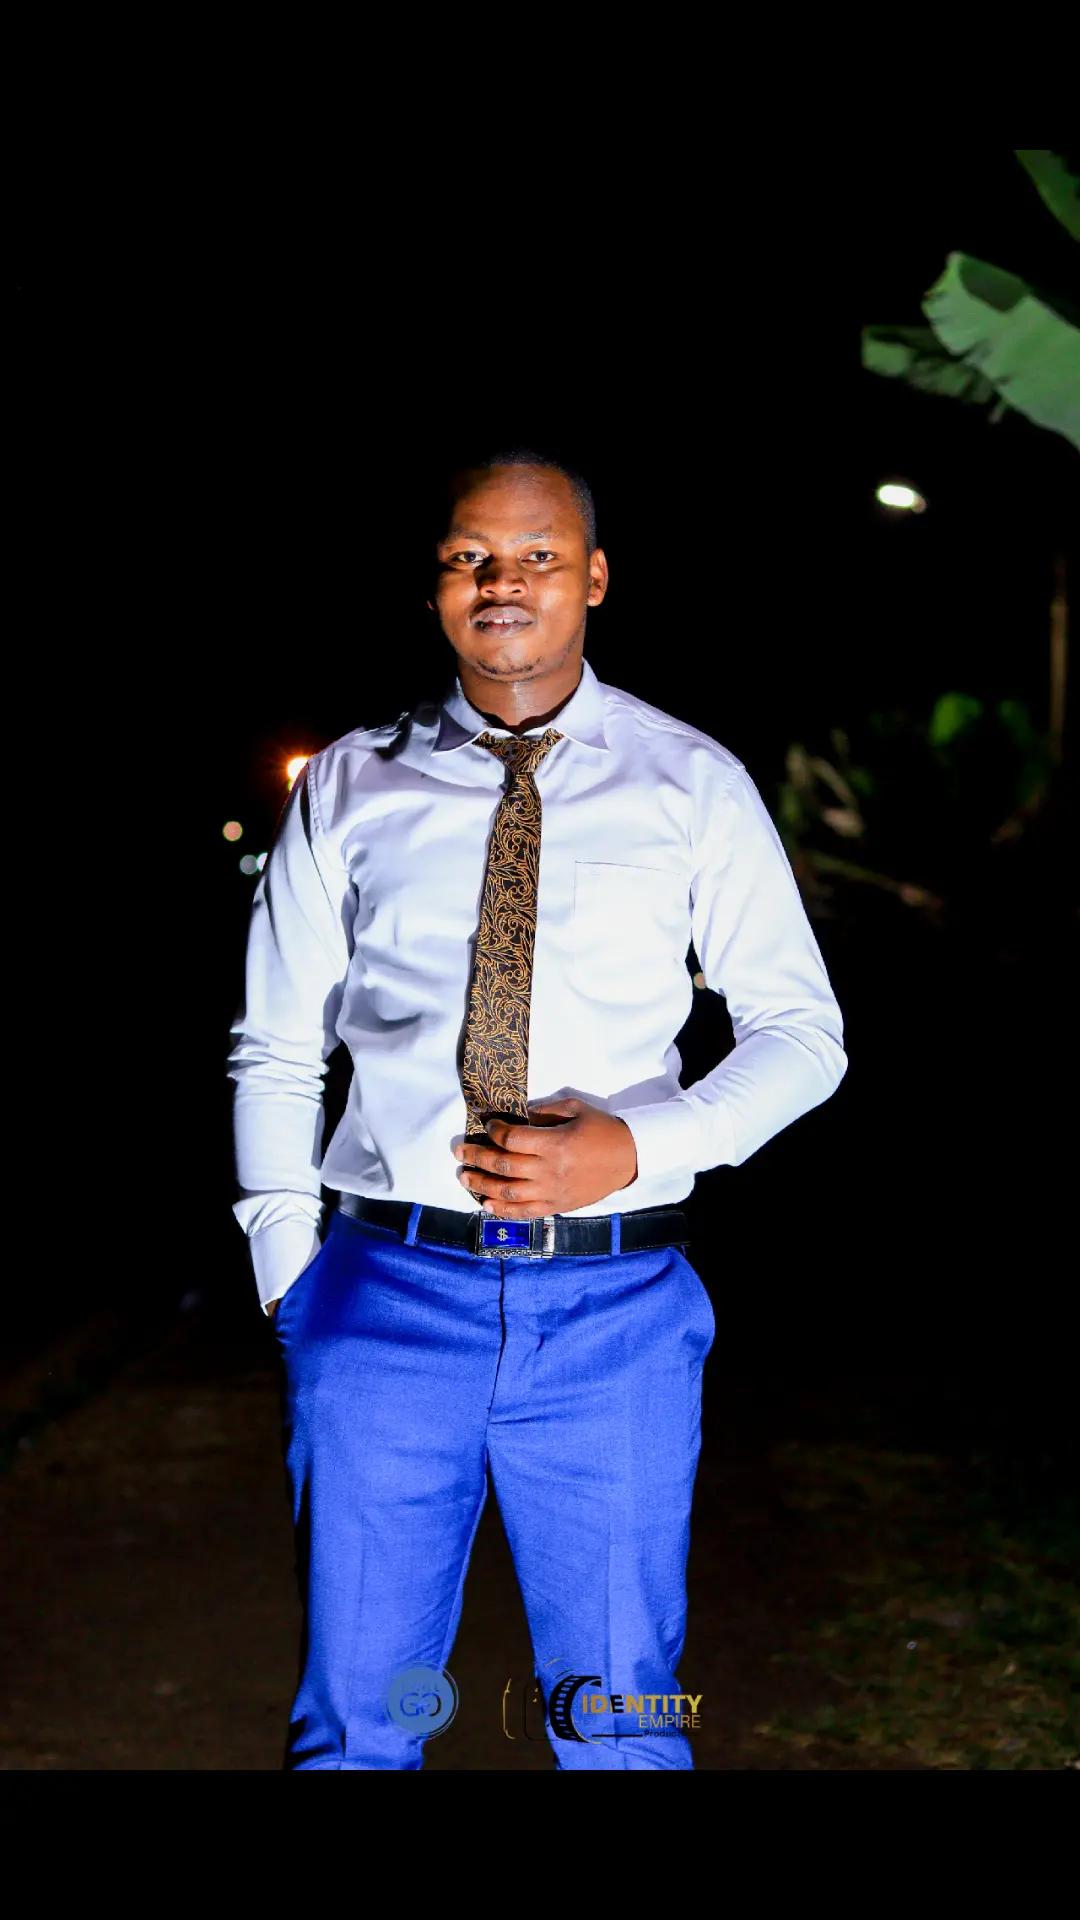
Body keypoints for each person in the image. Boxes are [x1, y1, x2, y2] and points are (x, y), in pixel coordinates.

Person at [226, 445, 848, 1770]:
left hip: (616, 1307)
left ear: (596, 578)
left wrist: (641, 1146)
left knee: (621, 1718)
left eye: (537, 557)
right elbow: (275, 1042)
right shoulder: (350, 782)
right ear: (436, 585)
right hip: (381, 1298)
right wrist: (290, 1274)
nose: (501, 583)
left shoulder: (690, 781)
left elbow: (803, 1036)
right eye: (471, 558)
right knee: (359, 1724)